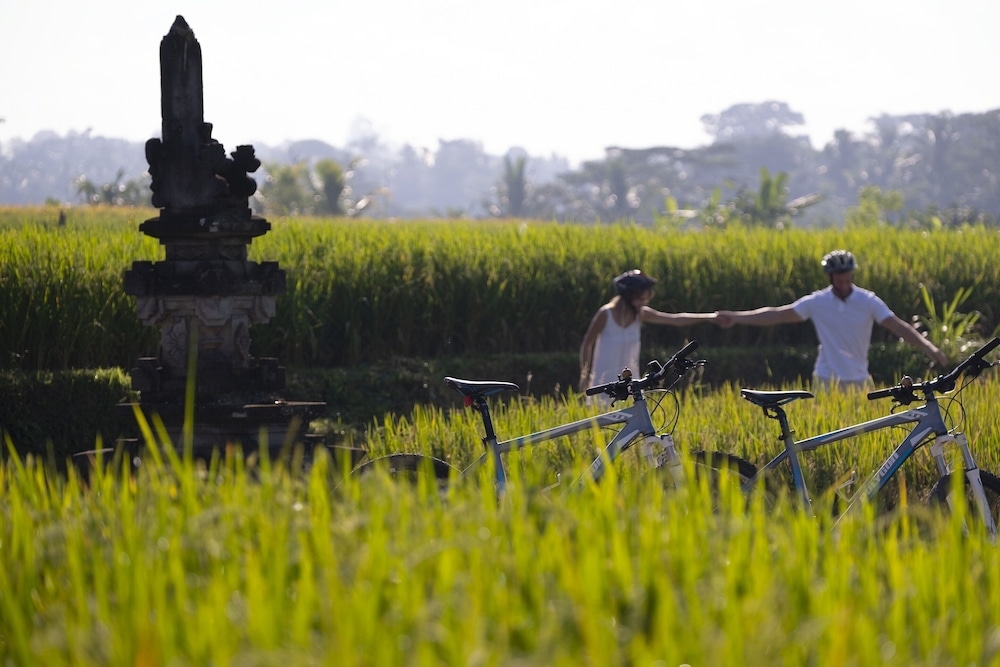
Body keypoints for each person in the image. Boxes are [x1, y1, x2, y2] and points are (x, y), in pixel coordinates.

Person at [715, 249, 948, 388]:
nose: (844, 285)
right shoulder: (817, 302)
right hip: (827, 379)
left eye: (847, 279)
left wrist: (928, 346)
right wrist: (737, 317)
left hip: (859, 378)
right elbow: (778, 315)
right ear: (830, 278)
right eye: (839, 280)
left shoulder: (868, 301)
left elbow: (897, 325)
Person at [579, 269, 714, 399]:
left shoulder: (640, 314)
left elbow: (675, 319)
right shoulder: (606, 314)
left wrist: (709, 317)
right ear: (628, 296)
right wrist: (585, 375)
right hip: (604, 380)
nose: (642, 304)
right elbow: (587, 343)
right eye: (639, 300)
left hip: (630, 383)